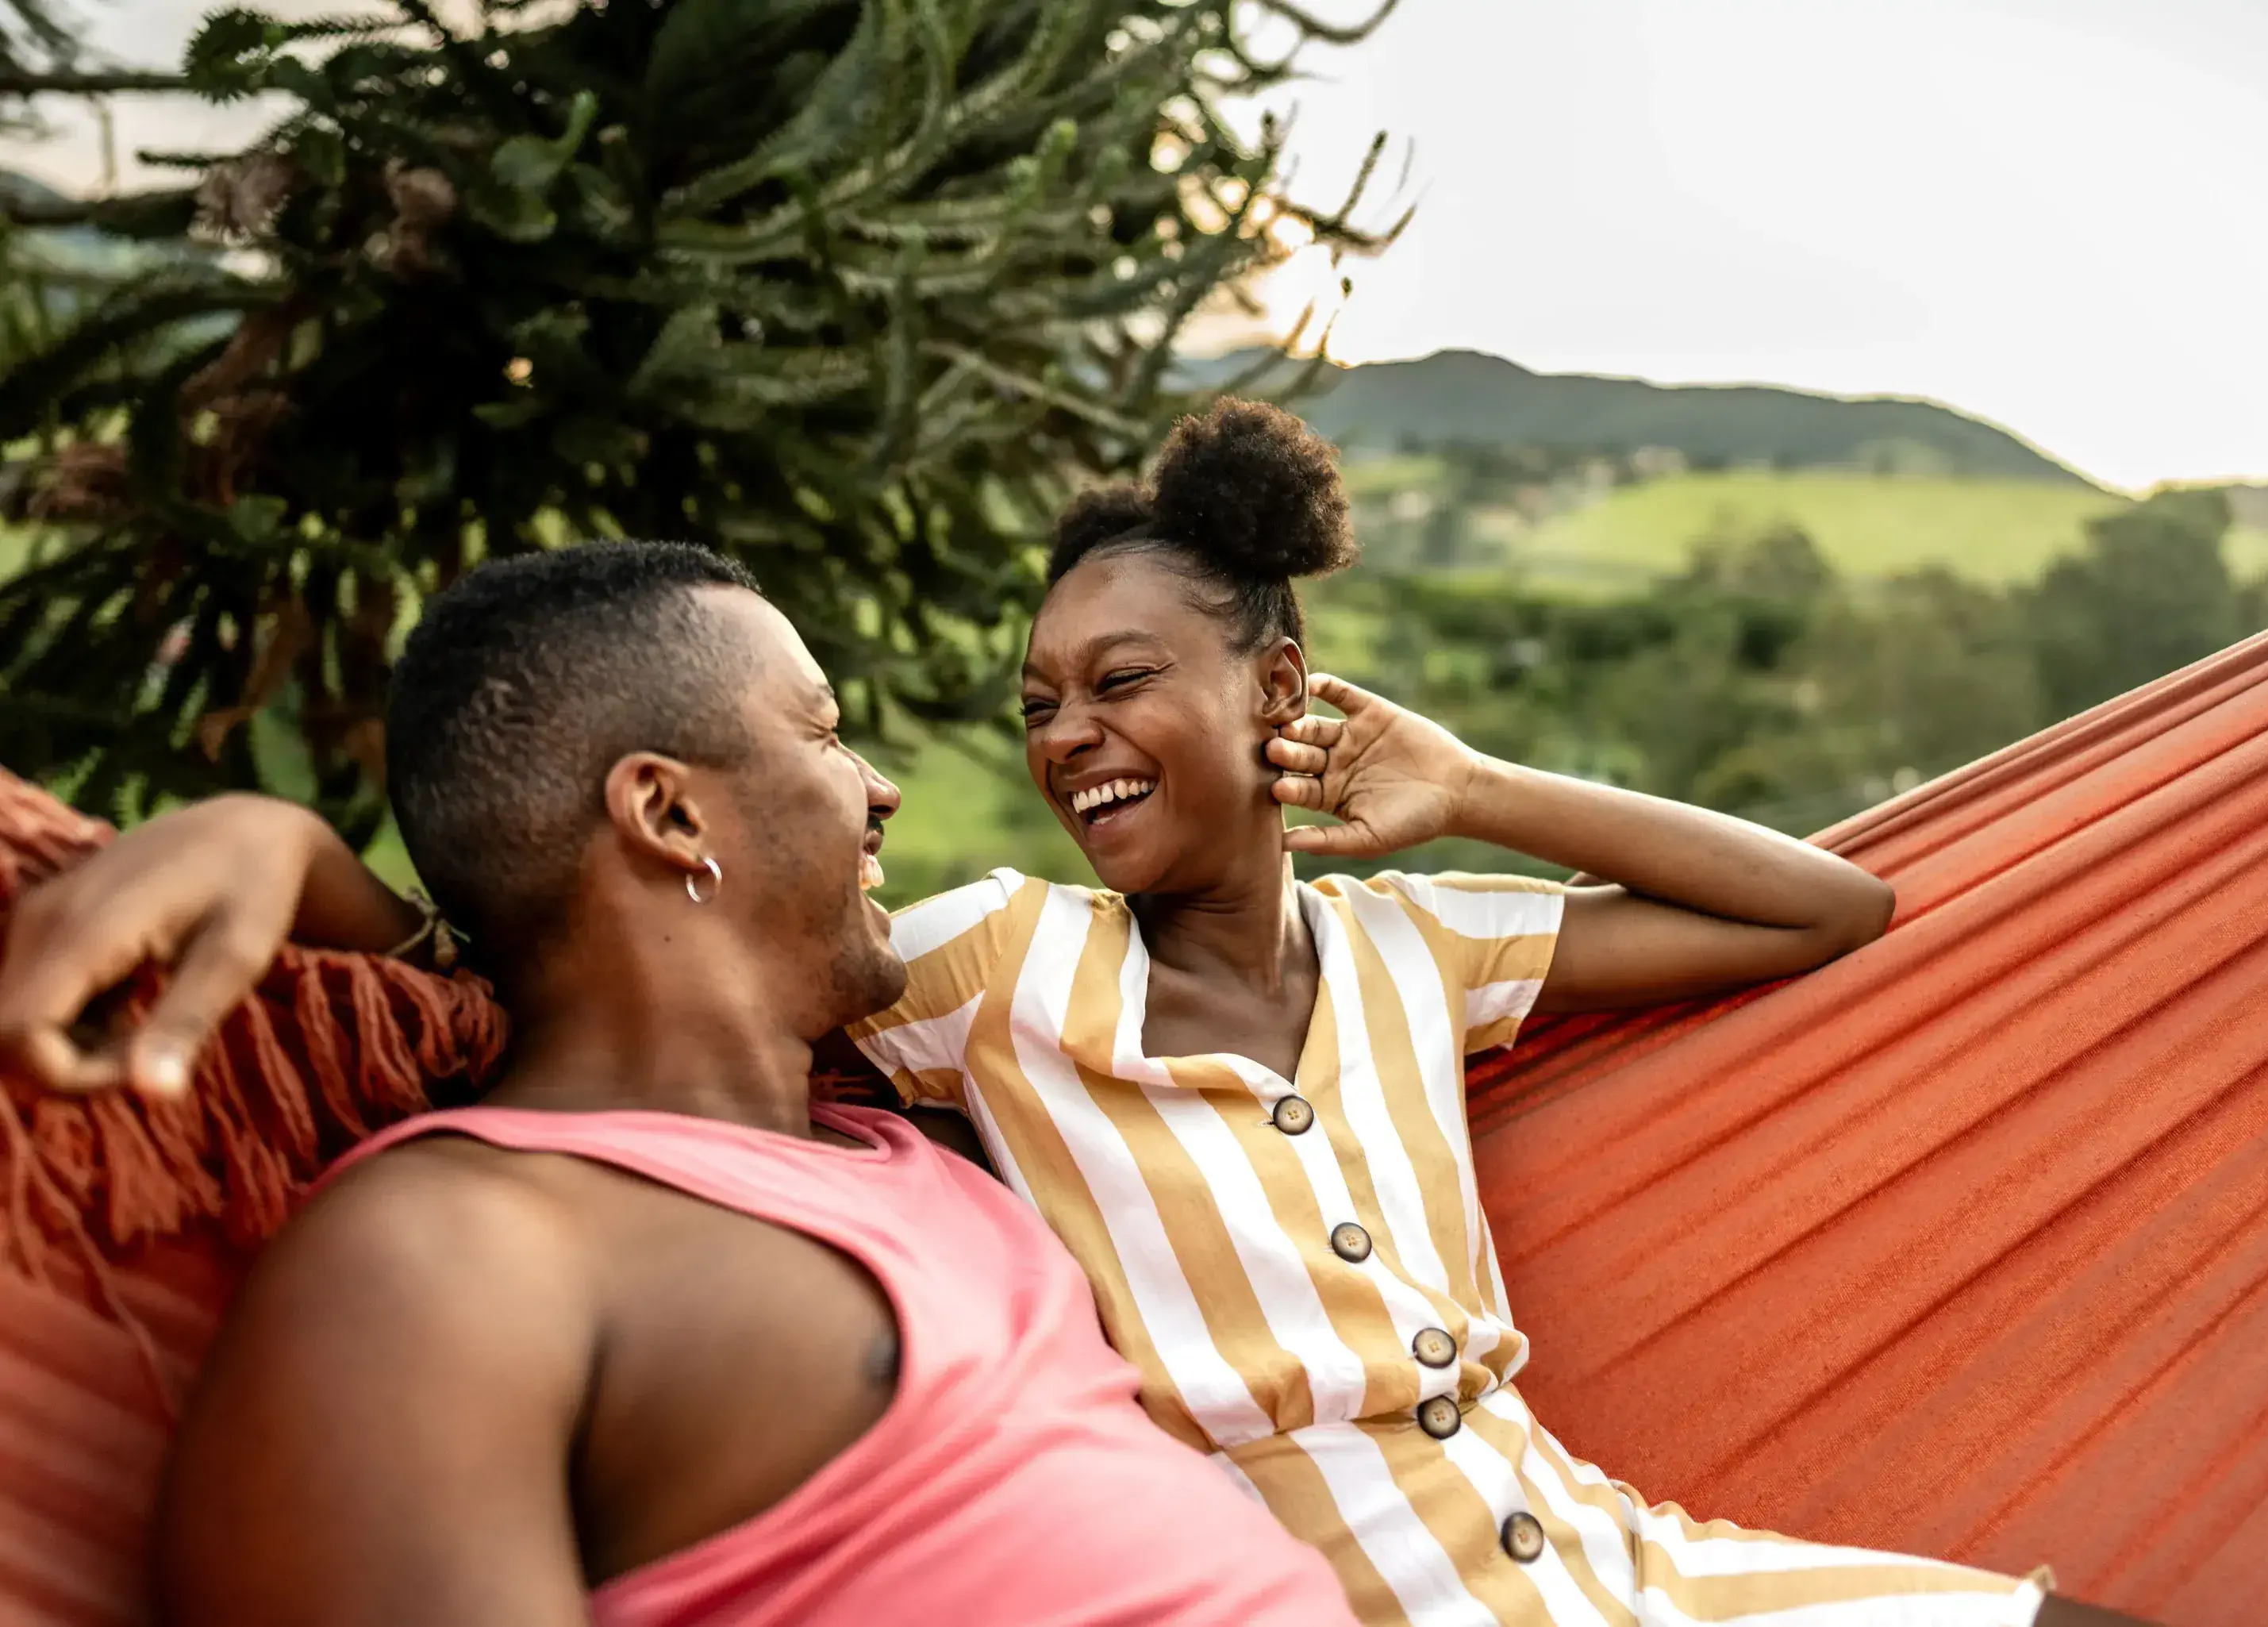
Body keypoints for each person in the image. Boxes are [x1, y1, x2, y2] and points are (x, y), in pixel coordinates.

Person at [0, 413, 2154, 1627]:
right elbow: (507, 972)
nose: (929, 771)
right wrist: (279, 847)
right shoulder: (967, 986)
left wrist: (1478, 788)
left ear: (1277, 699)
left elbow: (1830, 907)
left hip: (1633, 1571)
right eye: (1010, 701)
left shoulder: (1368, 973)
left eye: (1115, 683)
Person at [6, 544, 1360, 1625]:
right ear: (667, 813)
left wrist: (301, 852)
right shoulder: (453, 1258)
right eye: (826, 735)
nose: (881, 789)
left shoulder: (931, 1127)